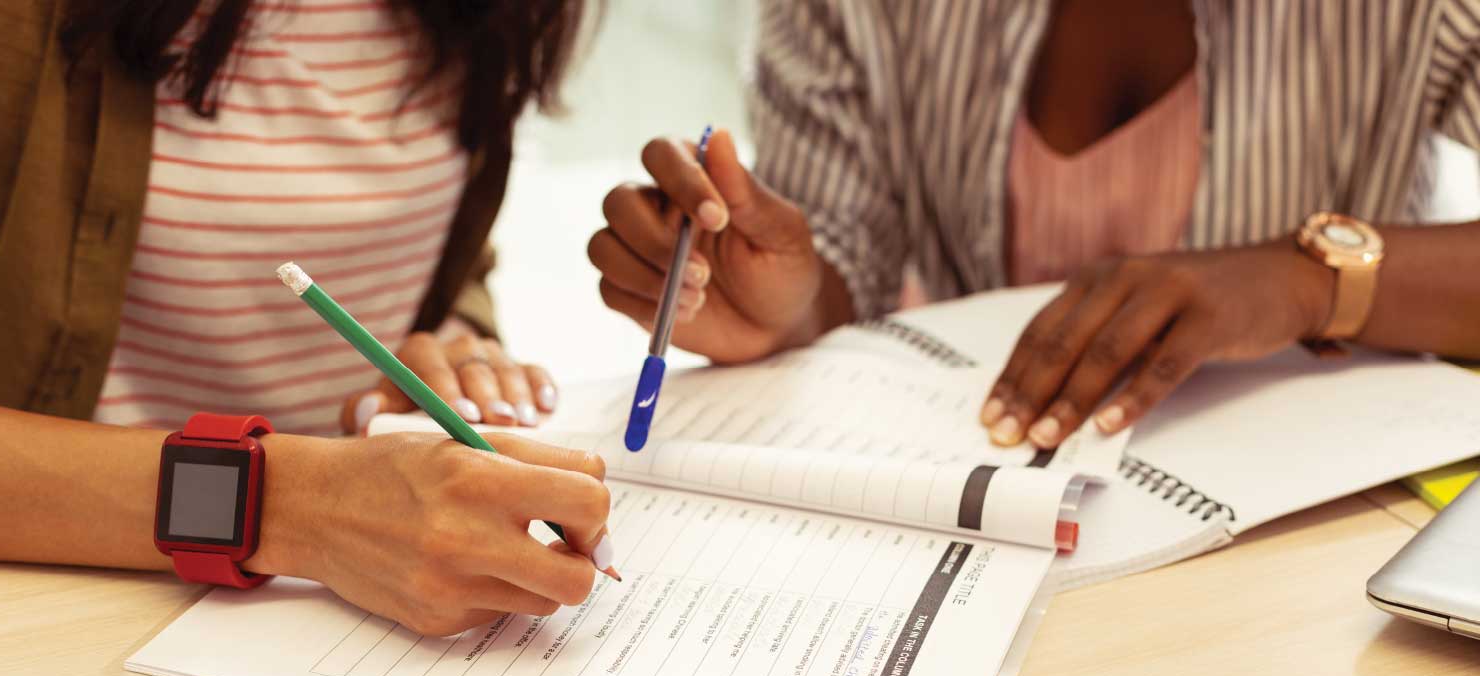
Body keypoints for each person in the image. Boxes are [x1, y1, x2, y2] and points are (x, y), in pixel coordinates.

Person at [0, 0, 614, 637]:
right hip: (40, 613)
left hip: (344, 610)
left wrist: (454, 347)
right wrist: (285, 505)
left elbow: (441, 256)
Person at [590, 0, 1480, 454]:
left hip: (1311, 527)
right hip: (988, 506)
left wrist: (1310, 277)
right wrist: (779, 305)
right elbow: (841, 259)